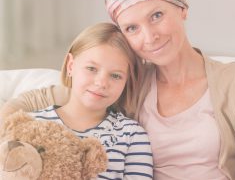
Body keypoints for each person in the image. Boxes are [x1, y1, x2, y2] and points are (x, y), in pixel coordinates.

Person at [1, 0, 235, 179]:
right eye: (132, 28)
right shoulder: (127, 81)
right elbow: (48, 96)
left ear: (182, 9)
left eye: (156, 16)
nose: (149, 36)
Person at [2, 23, 153, 180]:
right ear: (71, 65)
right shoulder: (33, 125)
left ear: (126, 81)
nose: (101, 83)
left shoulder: (131, 135)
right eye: (91, 69)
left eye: (115, 76)